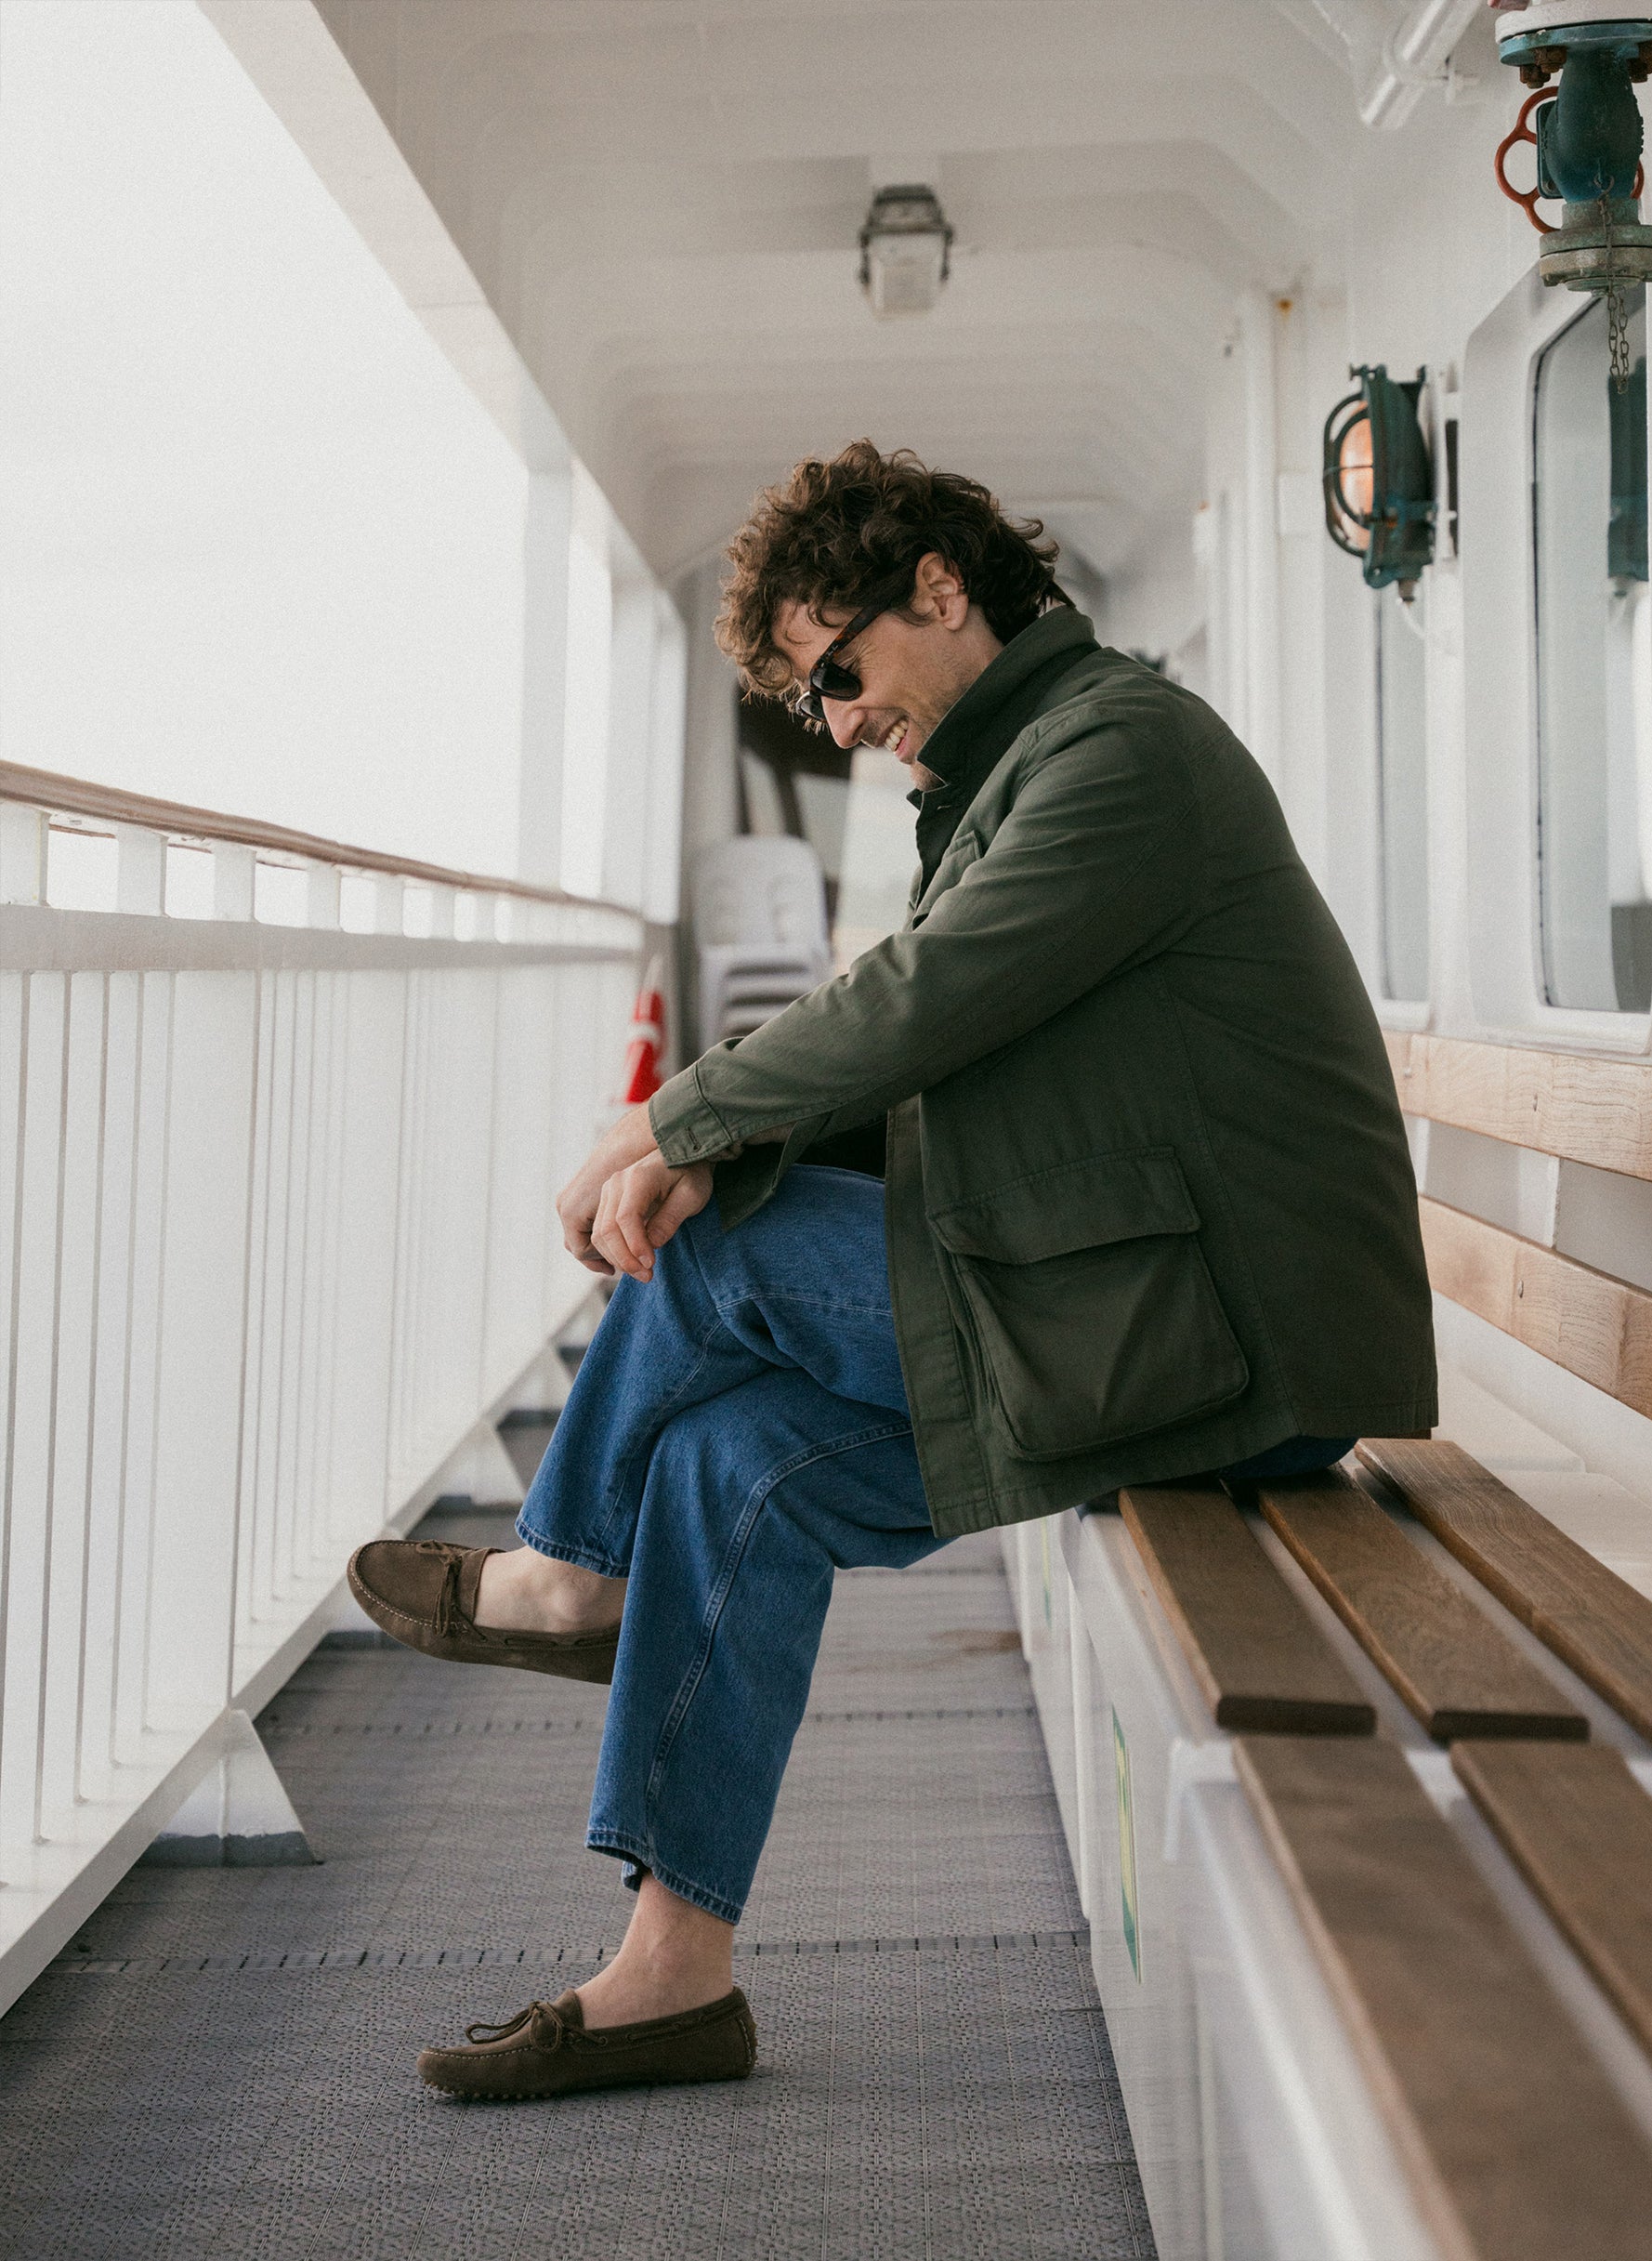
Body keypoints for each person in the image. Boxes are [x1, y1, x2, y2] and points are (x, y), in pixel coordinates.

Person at [348, 440, 1436, 2101]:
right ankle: (674, 1977)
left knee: (711, 1250)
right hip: (1155, 1313)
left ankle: (566, 1576)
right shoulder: (1011, 775)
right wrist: (717, 1133)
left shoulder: (1123, 752)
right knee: (730, 1464)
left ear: (938, 589)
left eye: (839, 672)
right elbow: (926, 1049)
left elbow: (927, 996)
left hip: (1240, 1338)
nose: (837, 719)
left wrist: (677, 1120)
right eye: (809, 700)